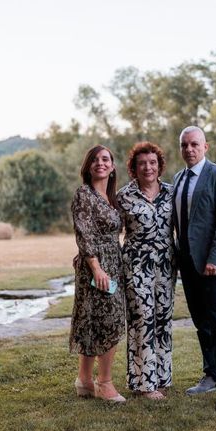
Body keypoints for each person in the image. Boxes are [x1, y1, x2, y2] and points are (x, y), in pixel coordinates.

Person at [173, 126, 216, 411]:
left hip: (214, 265)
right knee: (201, 323)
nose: (189, 149)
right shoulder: (177, 179)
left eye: (194, 144)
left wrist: (215, 258)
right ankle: (211, 374)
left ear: (205, 147)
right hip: (187, 264)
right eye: (184, 145)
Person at [117, 142, 176, 400]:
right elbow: (111, 231)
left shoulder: (173, 193)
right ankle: (144, 384)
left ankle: (162, 377)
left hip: (166, 264)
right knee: (142, 319)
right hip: (136, 265)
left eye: (152, 162)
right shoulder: (124, 196)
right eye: (142, 163)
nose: (148, 167)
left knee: (163, 319)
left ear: (159, 165)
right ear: (134, 167)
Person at [69, 145, 126, 403]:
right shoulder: (85, 194)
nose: (100, 163)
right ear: (88, 166)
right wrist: (95, 266)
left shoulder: (111, 199)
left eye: (105, 159)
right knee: (108, 320)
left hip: (112, 261)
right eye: (95, 159)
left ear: (112, 167)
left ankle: (84, 380)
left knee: (93, 320)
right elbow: (84, 231)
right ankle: (104, 383)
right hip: (97, 267)